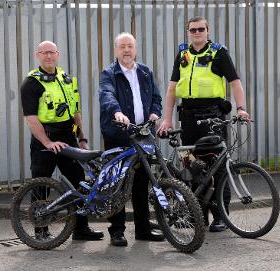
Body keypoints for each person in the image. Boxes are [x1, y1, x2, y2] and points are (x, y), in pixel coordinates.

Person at [157, 16, 250, 232]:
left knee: (217, 168)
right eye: (193, 30)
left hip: (213, 117)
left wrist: (241, 108)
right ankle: (197, 216)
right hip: (188, 118)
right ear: (188, 32)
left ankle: (221, 217)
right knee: (191, 167)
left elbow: (235, 83)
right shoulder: (183, 54)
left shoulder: (219, 53)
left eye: (201, 29)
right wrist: (168, 118)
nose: (197, 33)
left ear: (207, 31)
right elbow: (172, 89)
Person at [20, 40, 104, 241]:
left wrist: (81, 138)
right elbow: (31, 119)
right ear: (37, 55)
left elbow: (75, 111)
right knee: (41, 185)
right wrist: (47, 143)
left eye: (52, 52)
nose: (48, 56)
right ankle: (41, 231)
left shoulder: (65, 78)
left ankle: (81, 229)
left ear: (58, 54)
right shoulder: (31, 83)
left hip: (68, 137)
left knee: (79, 183)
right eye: (44, 53)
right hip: (45, 139)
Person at [99, 32, 164, 247]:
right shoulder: (109, 73)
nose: (127, 50)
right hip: (118, 135)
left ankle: (143, 229)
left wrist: (155, 113)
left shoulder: (145, 72)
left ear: (135, 49)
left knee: (141, 183)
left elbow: (156, 97)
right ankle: (117, 231)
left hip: (143, 134)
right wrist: (117, 112)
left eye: (130, 46)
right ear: (116, 50)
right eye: (122, 47)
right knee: (116, 183)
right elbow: (106, 95)